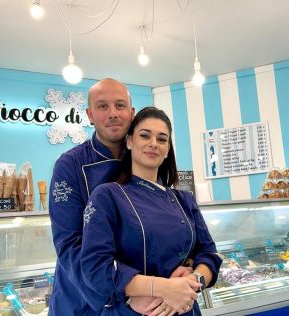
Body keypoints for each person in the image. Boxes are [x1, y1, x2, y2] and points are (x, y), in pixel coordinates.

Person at [80, 107, 222, 315]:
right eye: (145, 135)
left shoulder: (184, 200)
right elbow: (95, 267)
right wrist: (163, 288)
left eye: (162, 139)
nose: (154, 143)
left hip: (185, 308)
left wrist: (192, 281)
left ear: (167, 151)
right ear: (129, 141)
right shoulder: (107, 196)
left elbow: (209, 254)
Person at [48, 78, 135, 316]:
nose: (113, 114)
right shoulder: (70, 164)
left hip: (137, 294)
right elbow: (68, 242)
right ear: (89, 115)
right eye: (102, 106)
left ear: (131, 112)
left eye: (120, 105)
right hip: (83, 297)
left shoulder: (145, 159)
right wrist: (113, 291)